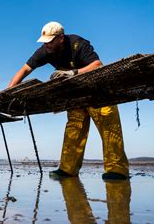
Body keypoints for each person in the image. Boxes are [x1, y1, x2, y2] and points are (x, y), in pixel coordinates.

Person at [8, 21, 129, 180]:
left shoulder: (77, 44)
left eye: (50, 41)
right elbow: (24, 70)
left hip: (99, 92)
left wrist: (73, 73)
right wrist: (9, 92)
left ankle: (117, 170)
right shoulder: (45, 50)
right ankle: (68, 169)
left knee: (109, 128)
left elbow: (97, 65)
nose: (47, 45)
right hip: (76, 95)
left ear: (61, 38)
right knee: (74, 129)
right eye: (45, 42)